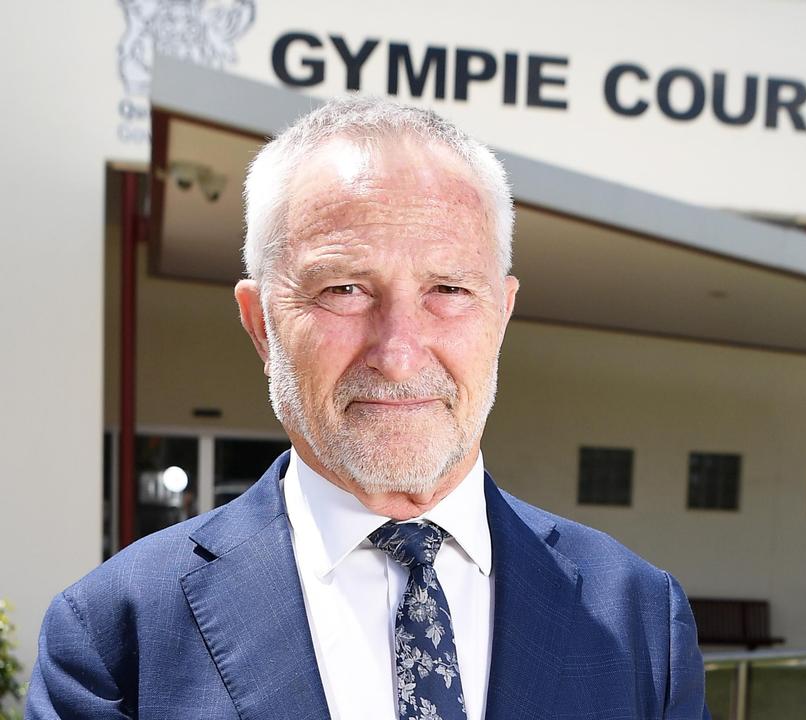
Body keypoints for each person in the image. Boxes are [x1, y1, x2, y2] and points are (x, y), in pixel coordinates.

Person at [26, 97, 709, 719]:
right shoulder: (115, 639)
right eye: (345, 289)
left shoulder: (642, 622)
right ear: (261, 323)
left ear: (501, 314)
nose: (400, 353)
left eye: (447, 288)